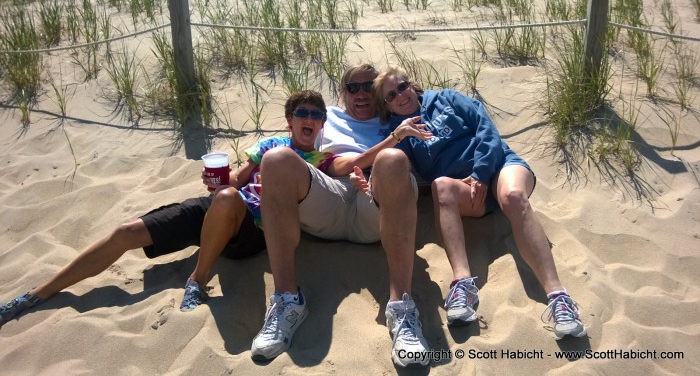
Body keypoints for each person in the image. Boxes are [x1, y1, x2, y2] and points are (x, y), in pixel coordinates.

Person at [0, 90, 372, 325]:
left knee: (227, 200)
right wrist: (218, 183)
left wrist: (392, 139)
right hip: (223, 207)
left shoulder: (316, 159)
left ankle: (197, 279)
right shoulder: (270, 144)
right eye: (303, 113)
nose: (310, 119)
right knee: (127, 232)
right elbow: (236, 182)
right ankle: (39, 293)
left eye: (317, 115)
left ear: (322, 124)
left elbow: (352, 165)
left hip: (252, 228)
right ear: (290, 120)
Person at [368, 66, 587, 340]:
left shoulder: (445, 98)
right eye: (391, 95)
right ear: (386, 106)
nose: (401, 95)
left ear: (412, 85)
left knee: (513, 197)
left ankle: (559, 298)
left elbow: (485, 127)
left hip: (500, 167)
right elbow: (391, 175)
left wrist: (482, 172)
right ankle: (463, 284)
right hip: (468, 192)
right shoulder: (399, 133)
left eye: (402, 86)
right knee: (440, 186)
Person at [250, 64, 435, 368]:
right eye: (353, 87)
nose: (361, 93)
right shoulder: (327, 117)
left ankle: (401, 308)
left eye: (368, 87)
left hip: (375, 206)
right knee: (277, 158)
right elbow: (291, 140)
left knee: (392, 159)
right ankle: (287, 302)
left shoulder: (396, 116)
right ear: (341, 93)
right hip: (328, 197)